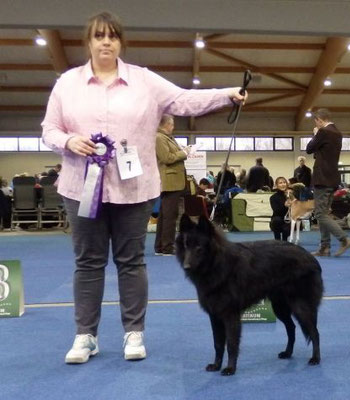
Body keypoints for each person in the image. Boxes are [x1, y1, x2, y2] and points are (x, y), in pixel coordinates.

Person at [41, 11, 246, 364]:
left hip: (133, 189)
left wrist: (227, 94)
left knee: (131, 261)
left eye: (113, 36)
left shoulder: (144, 81)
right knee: (88, 263)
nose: (106, 42)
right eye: (99, 36)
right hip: (80, 188)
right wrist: (68, 140)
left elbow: (184, 100)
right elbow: (48, 129)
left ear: (120, 42)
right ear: (88, 42)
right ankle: (84, 336)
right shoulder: (67, 83)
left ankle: (133, 333)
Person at [305, 108, 350, 257]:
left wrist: (315, 134)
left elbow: (309, 149)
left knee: (320, 214)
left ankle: (344, 239)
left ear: (319, 120)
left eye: (316, 122)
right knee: (324, 213)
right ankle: (324, 247)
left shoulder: (323, 132)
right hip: (333, 177)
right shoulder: (337, 133)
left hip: (322, 178)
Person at [154, 114, 188, 256]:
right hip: (170, 182)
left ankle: (161, 246)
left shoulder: (166, 138)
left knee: (164, 215)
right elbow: (167, 158)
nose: (173, 128)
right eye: (172, 125)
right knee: (170, 216)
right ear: (166, 124)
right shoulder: (159, 138)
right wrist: (184, 153)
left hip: (173, 181)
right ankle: (167, 247)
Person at [269, 176, 291, 241]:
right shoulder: (273, 197)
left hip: (288, 219)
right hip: (278, 219)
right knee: (276, 220)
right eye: (280, 183)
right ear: (277, 185)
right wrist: (285, 205)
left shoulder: (291, 196)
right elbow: (276, 211)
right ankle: (277, 239)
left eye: (284, 182)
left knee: (290, 223)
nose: (283, 184)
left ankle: (285, 240)